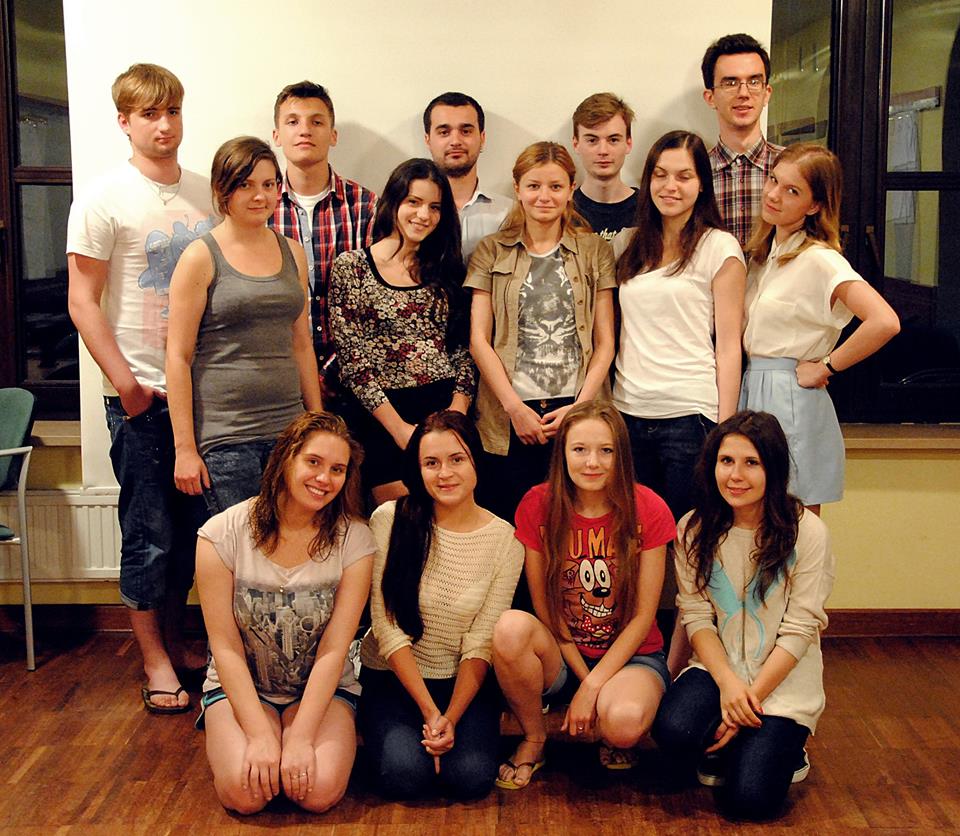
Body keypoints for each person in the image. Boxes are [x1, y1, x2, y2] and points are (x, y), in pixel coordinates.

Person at [66, 63, 215, 713]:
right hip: (141, 397)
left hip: (203, 393)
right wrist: (125, 385)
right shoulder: (103, 198)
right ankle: (154, 660)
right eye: (150, 114)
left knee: (196, 535)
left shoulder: (208, 192)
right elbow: (81, 300)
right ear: (124, 122)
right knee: (148, 533)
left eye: (172, 111)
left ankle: (179, 643)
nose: (164, 125)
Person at [652, 410, 835, 820]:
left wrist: (746, 701)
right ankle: (734, 742)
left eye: (751, 462)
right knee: (673, 731)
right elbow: (697, 617)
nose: (736, 475)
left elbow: (800, 629)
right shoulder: (693, 529)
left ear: (774, 468)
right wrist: (728, 685)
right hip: (720, 669)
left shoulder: (807, 532)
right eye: (726, 461)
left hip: (782, 681)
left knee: (749, 800)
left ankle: (787, 748)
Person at [195, 411, 375, 814]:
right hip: (243, 688)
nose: (324, 478)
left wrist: (302, 737)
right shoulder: (221, 534)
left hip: (323, 691)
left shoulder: (355, 540)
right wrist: (261, 735)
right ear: (286, 459)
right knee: (245, 794)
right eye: (313, 462)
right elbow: (224, 647)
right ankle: (263, 738)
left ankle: (289, 737)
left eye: (337, 469)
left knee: (318, 792)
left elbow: (334, 649)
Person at [614, 131, 745, 678]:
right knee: (630, 545)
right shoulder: (632, 246)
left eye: (684, 176)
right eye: (661, 174)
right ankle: (637, 657)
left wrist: (725, 430)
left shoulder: (719, 248)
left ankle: (683, 665)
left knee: (690, 549)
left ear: (701, 185)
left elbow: (730, 344)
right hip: (627, 414)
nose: (671, 186)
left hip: (690, 418)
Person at [492, 402, 674, 787]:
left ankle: (609, 726)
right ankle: (534, 737)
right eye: (580, 449)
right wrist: (583, 677)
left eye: (606, 450)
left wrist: (593, 685)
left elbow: (644, 616)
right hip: (562, 651)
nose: (592, 462)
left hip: (633, 656)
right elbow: (545, 608)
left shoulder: (650, 508)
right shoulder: (537, 504)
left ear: (621, 455)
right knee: (510, 628)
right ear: (563, 453)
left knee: (624, 723)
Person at [358, 411, 524, 800]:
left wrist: (450, 716)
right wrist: (431, 713)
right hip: (393, 677)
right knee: (404, 776)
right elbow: (386, 628)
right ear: (418, 470)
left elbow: (481, 641)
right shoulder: (389, 519)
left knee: (471, 779)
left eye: (457, 459)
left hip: (462, 682)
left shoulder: (505, 540)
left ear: (476, 461)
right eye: (431, 463)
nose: (445, 473)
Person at [166, 137, 322, 516]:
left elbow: (301, 343)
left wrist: (318, 422)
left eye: (269, 184)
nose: (259, 196)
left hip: (290, 430)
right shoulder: (200, 256)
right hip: (227, 438)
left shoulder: (292, 252)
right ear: (223, 190)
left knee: (291, 539)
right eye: (246, 185)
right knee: (240, 545)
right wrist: (185, 449)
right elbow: (178, 356)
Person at [741, 142, 900, 512]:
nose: (774, 195)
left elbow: (885, 321)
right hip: (751, 387)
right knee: (750, 516)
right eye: (774, 180)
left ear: (814, 205)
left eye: (792, 191)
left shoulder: (820, 260)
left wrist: (827, 366)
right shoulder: (763, 257)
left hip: (790, 395)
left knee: (792, 517)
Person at [467, 141, 616, 524]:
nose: (544, 196)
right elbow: (479, 340)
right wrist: (515, 408)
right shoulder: (491, 251)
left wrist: (581, 409)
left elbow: (605, 343)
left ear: (570, 189)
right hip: (509, 413)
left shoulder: (594, 250)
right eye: (534, 186)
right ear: (518, 188)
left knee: (577, 523)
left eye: (555, 186)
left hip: (577, 406)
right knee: (513, 524)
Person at [329, 159, 475, 505]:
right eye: (414, 202)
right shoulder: (352, 267)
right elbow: (352, 361)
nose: (424, 215)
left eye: (435, 207)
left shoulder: (448, 268)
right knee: (399, 521)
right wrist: (400, 430)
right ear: (393, 202)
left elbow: (462, 349)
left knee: (451, 518)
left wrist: (455, 416)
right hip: (382, 416)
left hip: (444, 410)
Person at [269, 81, 377, 398]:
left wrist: (330, 372)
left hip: (353, 380)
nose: (305, 130)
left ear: (333, 135)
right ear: (276, 136)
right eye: (293, 121)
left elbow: (374, 300)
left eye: (316, 122)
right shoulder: (260, 208)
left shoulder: (366, 206)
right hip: (279, 379)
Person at [701, 33, 783, 247]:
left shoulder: (791, 168)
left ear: (767, 93)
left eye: (754, 82)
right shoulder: (695, 172)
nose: (744, 93)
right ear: (710, 97)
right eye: (730, 83)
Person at [423, 91, 512, 262]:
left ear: (482, 138)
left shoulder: (509, 214)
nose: (455, 141)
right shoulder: (410, 214)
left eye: (466, 131)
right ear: (428, 140)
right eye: (444, 132)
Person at [571, 92, 638, 240]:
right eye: (592, 140)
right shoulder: (562, 211)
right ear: (576, 144)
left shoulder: (649, 209)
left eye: (613, 140)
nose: (603, 151)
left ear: (628, 143)